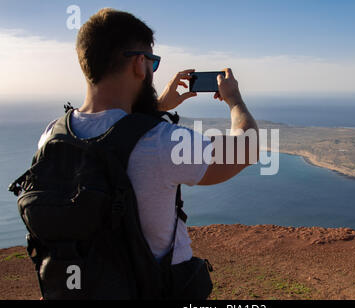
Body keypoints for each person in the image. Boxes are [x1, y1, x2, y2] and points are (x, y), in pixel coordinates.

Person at [37, 8, 258, 274]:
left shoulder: (52, 135)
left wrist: (157, 106)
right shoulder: (161, 142)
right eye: (153, 62)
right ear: (138, 63)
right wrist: (235, 99)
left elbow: (112, 127)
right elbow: (248, 147)